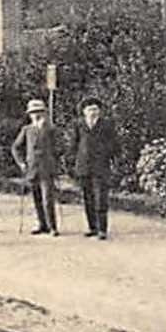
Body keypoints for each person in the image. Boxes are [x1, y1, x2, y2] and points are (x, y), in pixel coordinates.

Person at [68, 96, 118, 240]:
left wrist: (111, 157)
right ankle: (92, 227)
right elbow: (74, 144)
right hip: (83, 167)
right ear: (84, 111)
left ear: (100, 111)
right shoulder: (78, 125)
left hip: (101, 166)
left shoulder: (107, 125)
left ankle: (102, 229)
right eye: (90, 109)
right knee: (87, 198)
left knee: (101, 198)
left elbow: (114, 144)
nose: (93, 112)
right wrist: (71, 161)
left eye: (95, 109)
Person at [11, 98, 60, 235]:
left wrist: (55, 162)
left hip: (46, 168)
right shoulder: (27, 129)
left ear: (44, 113)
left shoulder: (50, 128)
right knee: (36, 198)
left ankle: (52, 227)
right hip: (32, 169)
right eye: (33, 112)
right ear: (29, 114)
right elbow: (15, 147)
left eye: (39, 112)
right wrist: (21, 162)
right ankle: (41, 224)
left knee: (47, 199)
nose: (36, 114)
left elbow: (58, 147)